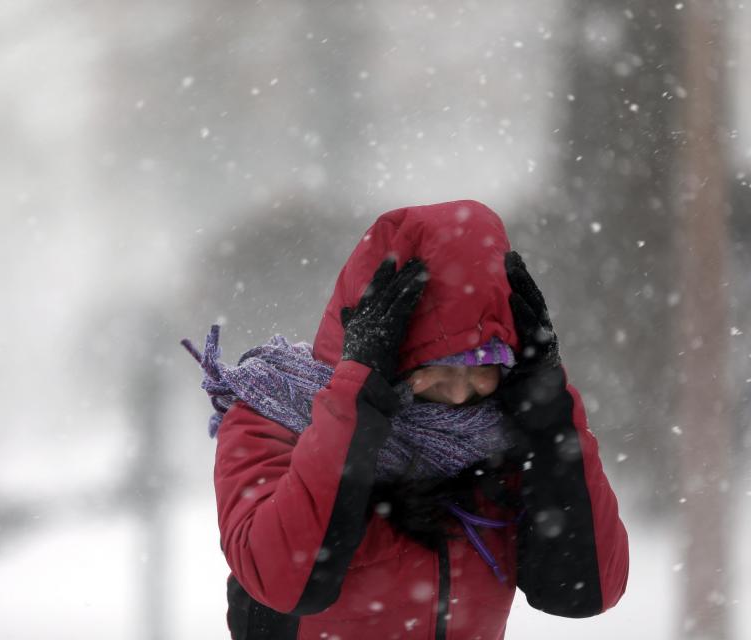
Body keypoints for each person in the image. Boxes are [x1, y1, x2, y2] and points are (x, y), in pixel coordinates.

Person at [182, 200, 629, 640]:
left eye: (481, 369)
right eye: (435, 368)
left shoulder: (503, 439)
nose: (458, 394)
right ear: (389, 354)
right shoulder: (274, 414)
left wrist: (550, 414)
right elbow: (284, 581)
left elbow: (583, 591)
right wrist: (356, 402)